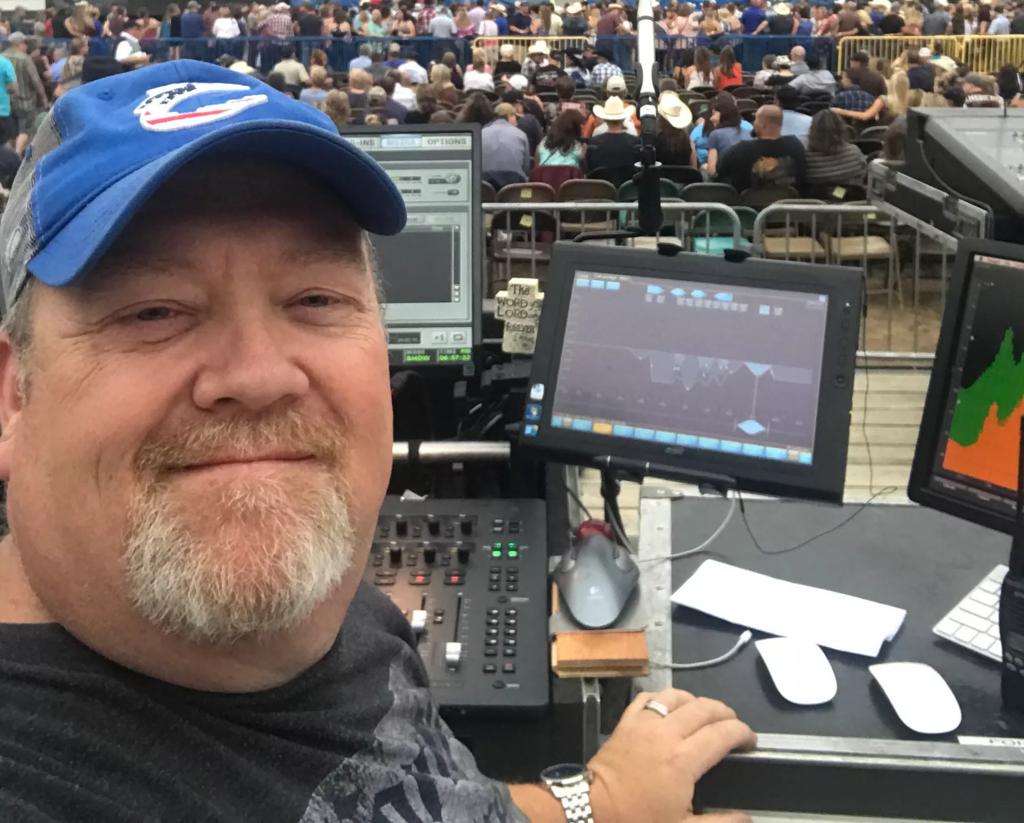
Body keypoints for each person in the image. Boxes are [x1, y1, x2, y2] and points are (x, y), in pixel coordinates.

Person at [3, 32, 46, 156]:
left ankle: (9, 156)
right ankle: (17, 156)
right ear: (20, 44)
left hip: (6, 103)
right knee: (25, 131)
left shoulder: (2, 57)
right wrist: (43, 100)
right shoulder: (25, 59)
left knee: (10, 133)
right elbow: (36, 81)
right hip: (25, 102)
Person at [804, 109, 867, 190]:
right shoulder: (854, 153)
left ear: (812, 130)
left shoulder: (805, 157)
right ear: (841, 129)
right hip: (850, 199)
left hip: (815, 199)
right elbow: (862, 175)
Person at [585, 95, 640, 172]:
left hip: (601, 183)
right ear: (623, 118)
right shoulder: (636, 143)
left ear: (605, 119)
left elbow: (589, 169)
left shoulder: (593, 143)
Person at [704, 92, 753, 176]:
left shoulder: (715, 134)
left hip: (725, 183)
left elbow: (712, 172)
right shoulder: (749, 133)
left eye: (714, 114)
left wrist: (704, 167)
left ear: (724, 115)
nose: (711, 118)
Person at [482, 100, 531, 182]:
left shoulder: (481, 133)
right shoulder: (521, 134)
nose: (517, 121)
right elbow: (526, 168)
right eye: (516, 117)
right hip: (514, 189)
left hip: (484, 189)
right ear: (510, 116)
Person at [655, 91, 697, 167]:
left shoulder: (653, 138)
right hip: (684, 179)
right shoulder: (687, 140)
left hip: (660, 178)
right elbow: (694, 168)